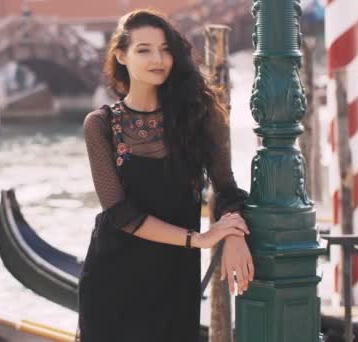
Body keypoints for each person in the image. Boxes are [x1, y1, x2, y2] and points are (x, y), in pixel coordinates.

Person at [78, 9, 253, 341]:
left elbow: (227, 189)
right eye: (144, 50)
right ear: (121, 56)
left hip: (175, 278)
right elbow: (120, 213)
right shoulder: (100, 125)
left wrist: (233, 234)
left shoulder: (199, 116)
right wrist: (200, 239)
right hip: (112, 279)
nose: (157, 58)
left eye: (165, 48)